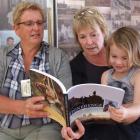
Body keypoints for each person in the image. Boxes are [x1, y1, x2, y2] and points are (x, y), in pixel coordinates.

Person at [0, 1, 72, 140]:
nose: (36, 28)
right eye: (29, 23)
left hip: (45, 127)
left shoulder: (58, 56)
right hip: (6, 127)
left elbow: (66, 103)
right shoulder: (3, 56)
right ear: (16, 29)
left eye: (40, 23)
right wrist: (22, 107)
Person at [62, 7, 118, 140]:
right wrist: (71, 131)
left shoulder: (120, 56)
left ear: (104, 32)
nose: (88, 42)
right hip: (91, 133)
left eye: (93, 35)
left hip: (124, 126)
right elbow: (73, 113)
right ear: (77, 39)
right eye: (82, 37)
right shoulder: (74, 67)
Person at [101, 26, 140, 139]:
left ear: (136, 55)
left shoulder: (137, 75)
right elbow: (104, 104)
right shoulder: (106, 76)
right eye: (114, 56)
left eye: (125, 58)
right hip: (110, 125)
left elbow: (139, 106)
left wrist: (126, 112)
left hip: (133, 126)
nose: (118, 62)